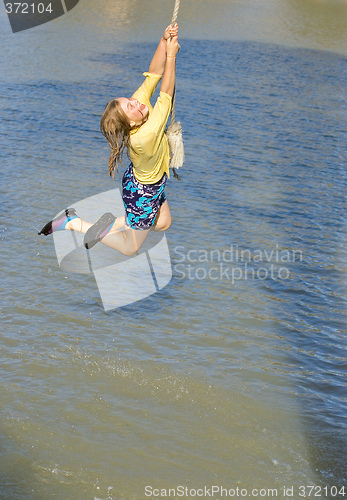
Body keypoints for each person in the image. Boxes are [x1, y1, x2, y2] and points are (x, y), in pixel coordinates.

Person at [39, 24, 180, 256]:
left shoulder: (138, 112)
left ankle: (116, 223)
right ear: (131, 123)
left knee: (164, 223)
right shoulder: (146, 134)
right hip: (143, 193)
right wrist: (172, 55)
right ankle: (73, 223)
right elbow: (166, 93)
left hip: (143, 183)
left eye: (130, 100)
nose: (136, 103)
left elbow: (155, 73)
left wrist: (164, 41)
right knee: (129, 248)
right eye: (131, 107)